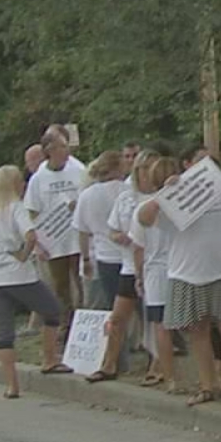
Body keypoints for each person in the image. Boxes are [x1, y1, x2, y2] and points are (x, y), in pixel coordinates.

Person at [138, 146, 221, 405]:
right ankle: (208, 385)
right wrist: (163, 195)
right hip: (187, 272)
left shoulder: (220, 192)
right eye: (199, 161)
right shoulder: (173, 194)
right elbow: (143, 219)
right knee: (198, 331)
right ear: (187, 165)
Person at [0, 165, 73, 398]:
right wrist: (24, 253)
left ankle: (12, 385)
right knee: (52, 310)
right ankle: (49, 358)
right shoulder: (15, 207)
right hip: (18, 274)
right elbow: (30, 235)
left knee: (4, 333)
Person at [85, 152, 142, 383]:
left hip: (146, 265)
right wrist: (119, 237)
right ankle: (110, 364)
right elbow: (113, 229)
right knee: (118, 316)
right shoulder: (124, 196)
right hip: (125, 263)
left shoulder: (149, 197)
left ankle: (156, 366)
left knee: (153, 318)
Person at [24, 128, 87, 330]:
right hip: (54, 240)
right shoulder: (39, 178)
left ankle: (81, 325)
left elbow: (88, 197)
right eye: (61, 146)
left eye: (66, 146)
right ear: (49, 150)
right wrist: (37, 243)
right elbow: (32, 212)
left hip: (77, 237)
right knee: (60, 286)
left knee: (81, 282)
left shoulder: (78, 169)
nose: (66, 150)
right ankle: (64, 326)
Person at [132, 153, 182, 392]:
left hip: (160, 270)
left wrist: (138, 275)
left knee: (162, 326)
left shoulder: (147, 206)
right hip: (173, 267)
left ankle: (169, 375)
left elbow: (138, 247)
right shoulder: (177, 204)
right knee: (179, 325)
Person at [76, 151, 127, 311]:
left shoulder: (87, 195)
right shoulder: (127, 191)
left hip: (103, 255)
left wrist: (85, 258)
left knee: (107, 304)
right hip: (127, 254)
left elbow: (82, 231)